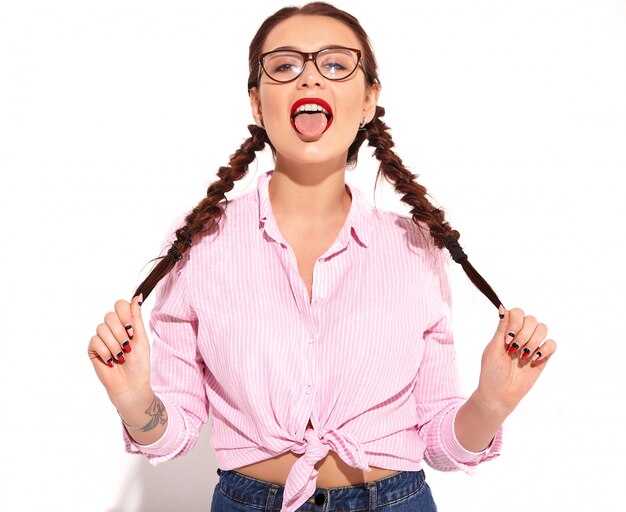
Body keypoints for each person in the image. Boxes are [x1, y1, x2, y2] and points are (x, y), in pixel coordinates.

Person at [87, 2, 557, 511]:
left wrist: (491, 402)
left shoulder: (416, 246)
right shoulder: (199, 241)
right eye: (285, 66)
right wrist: (134, 401)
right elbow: (173, 434)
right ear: (256, 102)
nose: (309, 78)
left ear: (368, 100)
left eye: (335, 65)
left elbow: (440, 445)